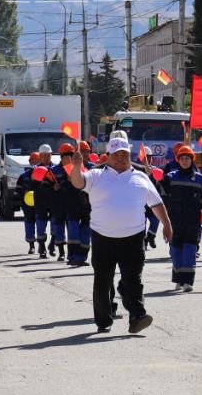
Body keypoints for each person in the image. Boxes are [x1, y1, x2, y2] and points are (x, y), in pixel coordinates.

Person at [67, 136, 171, 334]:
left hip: (133, 237)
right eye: (117, 154)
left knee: (134, 279)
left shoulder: (140, 177)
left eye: (124, 154)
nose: (121, 158)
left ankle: (137, 316)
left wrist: (166, 224)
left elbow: (156, 203)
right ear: (107, 156)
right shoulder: (96, 175)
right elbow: (78, 183)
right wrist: (75, 166)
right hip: (102, 237)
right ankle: (103, 320)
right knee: (102, 281)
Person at [162, 145, 202, 292]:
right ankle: (178, 278)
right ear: (178, 161)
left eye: (187, 159)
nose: (185, 161)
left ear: (192, 160)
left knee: (189, 252)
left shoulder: (200, 179)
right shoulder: (170, 177)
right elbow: (159, 195)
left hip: (193, 223)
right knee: (175, 252)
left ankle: (187, 282)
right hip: (174, 223)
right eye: (182, 159)